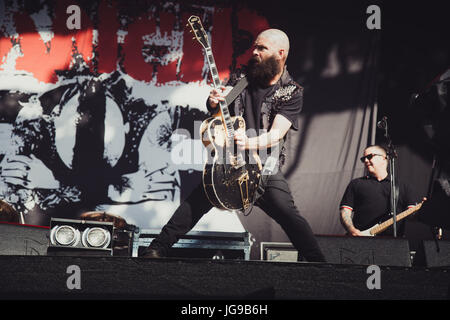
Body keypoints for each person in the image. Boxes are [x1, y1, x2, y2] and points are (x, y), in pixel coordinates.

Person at [142, 29, 326, 262]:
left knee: (289, 216)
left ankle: (320, 266)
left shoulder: (291, 92)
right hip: (229, 161)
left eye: (262, 48)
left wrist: (250, 143)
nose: (255, 52)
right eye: (255, 47)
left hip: (264, 168)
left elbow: (276, 134)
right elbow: (223, 103)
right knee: (196, 202)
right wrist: (213, 100)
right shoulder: (242, 77)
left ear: (281, 54)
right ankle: (157, 249)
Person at [340, 145, 421, 237]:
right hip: (361, 240)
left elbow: (412, 216)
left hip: (393, 243)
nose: (366, 161)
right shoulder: (356, 184)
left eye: (369, 156)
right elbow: (345, 211)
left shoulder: (402, 186)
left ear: (384, 158)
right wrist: (352, 230)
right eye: (364, 159)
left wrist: (418, 211)